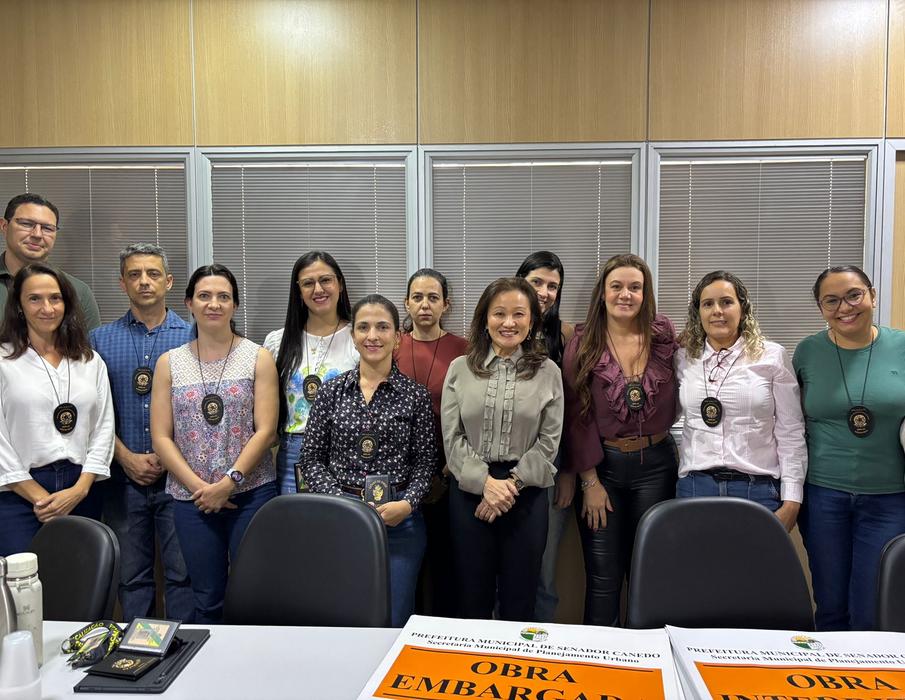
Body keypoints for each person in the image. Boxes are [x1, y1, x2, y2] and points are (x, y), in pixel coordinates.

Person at [150, 264, 278, 623]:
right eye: (204, 296)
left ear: (235, 305)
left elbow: (266, 430)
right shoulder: (169, 363)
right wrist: (201, 489)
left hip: (251, 493)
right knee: (206, 598)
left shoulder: (258, 357)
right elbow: (161, 436)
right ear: (189, 303)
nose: (214, 304)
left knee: (254, 594)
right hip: (192, 499)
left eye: (224, 296)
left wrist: (228, 483)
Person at [302, 294, 437, 627]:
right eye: (363, 327)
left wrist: (407, 504)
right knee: (343, 617)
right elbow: (312, 459)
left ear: (397, 337)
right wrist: (343, 503)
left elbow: (426, 462)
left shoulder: (415, 396)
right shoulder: (331, 392)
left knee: (395, 618)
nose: (372, 336)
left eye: (382, 327)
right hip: (341, 519)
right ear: (353, 336)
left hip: (400, 523)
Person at [562, 253, 678, 626]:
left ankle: (646, 654)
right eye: (616, 286)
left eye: (634, 287)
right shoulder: (583, 342)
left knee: (649, 570)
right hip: (603, 469)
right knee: (602, 575)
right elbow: (575, 416)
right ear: (603, 292)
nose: (625, 294)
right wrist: (589, 482)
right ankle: (601, 655)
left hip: (657, 466)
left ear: (646, 294)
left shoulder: (663, 337)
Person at [441, 277, 563, 621]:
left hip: (526, 493)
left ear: (532, 321)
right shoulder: (460, 369)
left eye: (519, 314)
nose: (509, 323)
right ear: (485, 319)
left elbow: (549, 442)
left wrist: (510, 486)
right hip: (470, 493)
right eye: (499, 313)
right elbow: (452, 438)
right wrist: (485, 484)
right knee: (471, 597)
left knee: (520, 600)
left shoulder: (548, 372)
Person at [794, 265, 905, 631]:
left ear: (872, 295)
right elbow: (790, 423)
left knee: (873, 607)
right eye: (831, 300)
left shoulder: (901, 347)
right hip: (824, 496)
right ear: (821, 308)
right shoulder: (808, 352)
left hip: (889, 497)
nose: (844, 307)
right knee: (830, 604)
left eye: (854, 295)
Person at [90, 244, 194, 622]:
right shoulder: (99, 340)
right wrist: (125, 457)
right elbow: (93, 413)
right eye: (134, 275)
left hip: (180, 479)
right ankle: (138, 650)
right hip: (122, 479)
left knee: (183, 574)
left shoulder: (193, 336)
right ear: (122, 283)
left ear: (169, 281)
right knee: (131, 578)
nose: (144, 281)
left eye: (153, 274)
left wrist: (171, 458)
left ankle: (184, 646)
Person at [675, 271, 806, 529]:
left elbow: (790, 430)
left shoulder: (771, 356)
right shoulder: (683, 358)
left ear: (742, 308)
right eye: (708, 304)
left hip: (757, 490)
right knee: (696, 558)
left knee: (756, 558)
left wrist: (792, 499)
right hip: (695, 487)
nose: (717, 311)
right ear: (698, 313)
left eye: (726, 302)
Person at [0, 263, 113, 556]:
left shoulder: (90, 361)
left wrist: (81, 488)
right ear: (19, 306)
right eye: (34, 299)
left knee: (80, 578)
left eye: (55, 298)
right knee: (24, 579)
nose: (47, 308)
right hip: (18, 493)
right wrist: (38, 496)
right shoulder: (3, 361)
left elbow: (103, 429)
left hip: (81, 489)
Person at [395, 268, 467, 617]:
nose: (425, 305)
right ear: (407, 303)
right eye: (418, 297)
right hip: (399, 470)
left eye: (433, 298)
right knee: (406, 563)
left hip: (449, 468)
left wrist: (449, 467)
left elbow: (471, 412)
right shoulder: (392, 345)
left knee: (446, 560)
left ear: (445, 305)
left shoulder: (463, 350)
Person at [263, 251, 357, 494]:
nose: (318, 289)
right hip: (294, 453)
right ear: (298, 291)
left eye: (325, 280)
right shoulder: (277, 342)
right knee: (298, 518)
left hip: (347, 451)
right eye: (308, 283)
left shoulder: (359, 338)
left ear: (340, 284)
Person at [515, 251, 575, 622]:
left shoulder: (565, 335)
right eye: (537, 281)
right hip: (503, 465)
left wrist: (568, 470)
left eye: (553, 286)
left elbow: (575, 409)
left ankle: (542, 643)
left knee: (545, 569)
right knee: (502, 568)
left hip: (552, 465)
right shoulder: (498, 330)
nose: (544, 292)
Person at [0, 193, 101, 329]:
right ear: (4, 226)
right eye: (26, 224)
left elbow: (88, 342)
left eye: (47, 228)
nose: (37, 234)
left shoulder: (78, 292)